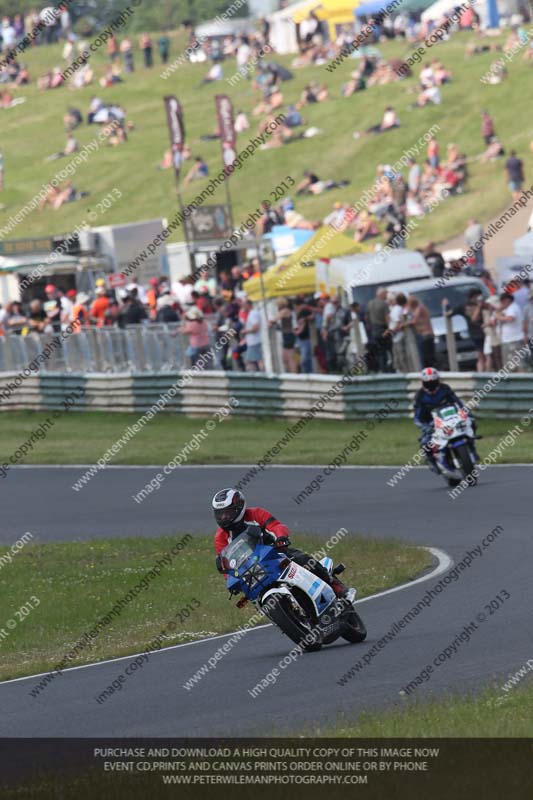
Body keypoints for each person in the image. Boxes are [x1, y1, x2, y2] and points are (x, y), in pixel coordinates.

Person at [212, 489, 354, 599]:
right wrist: (232, 581)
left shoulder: (256, 514)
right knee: (253, 598)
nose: (224, 517)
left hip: (274, 552)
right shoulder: (220, 537)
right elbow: (227, 563)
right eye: (220, 514)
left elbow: (276, 526)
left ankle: (334, 585)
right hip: (251, 569)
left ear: (239, 507)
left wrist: (281, 538)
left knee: (303, 560)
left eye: (227, 513)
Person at [414, 368, 475, 472]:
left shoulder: (444, 388)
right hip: (431, 423)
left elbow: (457, 402)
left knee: (472, 424)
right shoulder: (420, 395)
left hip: (450, 417)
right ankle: (433, 462)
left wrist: (467, 413)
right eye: (428, 384)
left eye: (433, 382)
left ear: (438, 380)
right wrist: (424, 426)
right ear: (423, 383)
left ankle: (472, 448)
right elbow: (417, 416)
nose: (431, 386)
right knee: (425, 443)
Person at [496, 292, 524, 368]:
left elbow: (510, 318)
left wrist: (499, 317)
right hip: (508, 340)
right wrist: (499, 311)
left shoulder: (513, 307)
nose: (501, 303)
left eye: (503, 301)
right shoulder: (507, 309)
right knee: (509, 365)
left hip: (513, 340)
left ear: (508, 300)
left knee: (517, 364)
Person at [242, 298, 263, 371]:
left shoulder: (253, 314)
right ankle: (260, 375)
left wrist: (245, 331)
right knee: (257, 359)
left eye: (244, 305)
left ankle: (258, 375)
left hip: (254, 341)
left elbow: (256, 327)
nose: (243, 306)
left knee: (251, 361)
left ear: (248, 305)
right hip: (253, 341)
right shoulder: (252, 313)